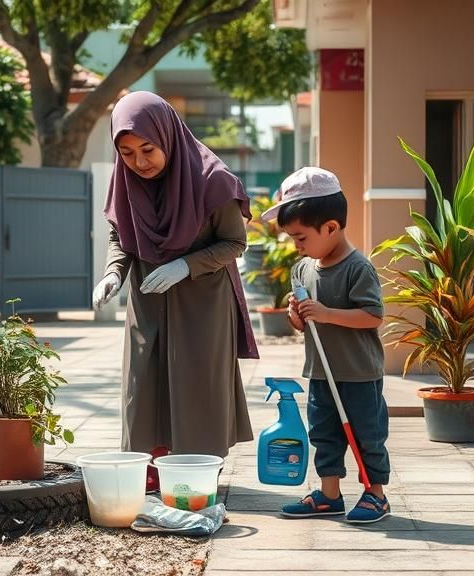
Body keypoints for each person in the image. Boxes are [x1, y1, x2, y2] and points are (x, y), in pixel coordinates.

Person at [92, 92, 258, 478]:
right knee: (143, 384)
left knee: (197, 384)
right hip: (148, 299)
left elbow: (234, 243)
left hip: (202, 303)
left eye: (147, 149)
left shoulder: (212, 181)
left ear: (166, 136)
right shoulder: (127, 180)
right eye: (128, 153)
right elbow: (121, 235)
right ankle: (148, 471)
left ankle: (197, 473)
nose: (139, 162)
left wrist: (187, 264)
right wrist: (113, 273)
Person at [262, 167, 391, 524]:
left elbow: (372, 316)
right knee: (324, 434)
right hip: (321, 372)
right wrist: (297, 315)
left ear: (331, 227)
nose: (296, 246)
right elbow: (305, 325)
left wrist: (327, 312)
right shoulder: (303, 269)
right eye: (292, 238)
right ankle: (329, 495)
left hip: (359, 373)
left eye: (301, 237)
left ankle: (375, 494)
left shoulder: (357, 267)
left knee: (367, 435)